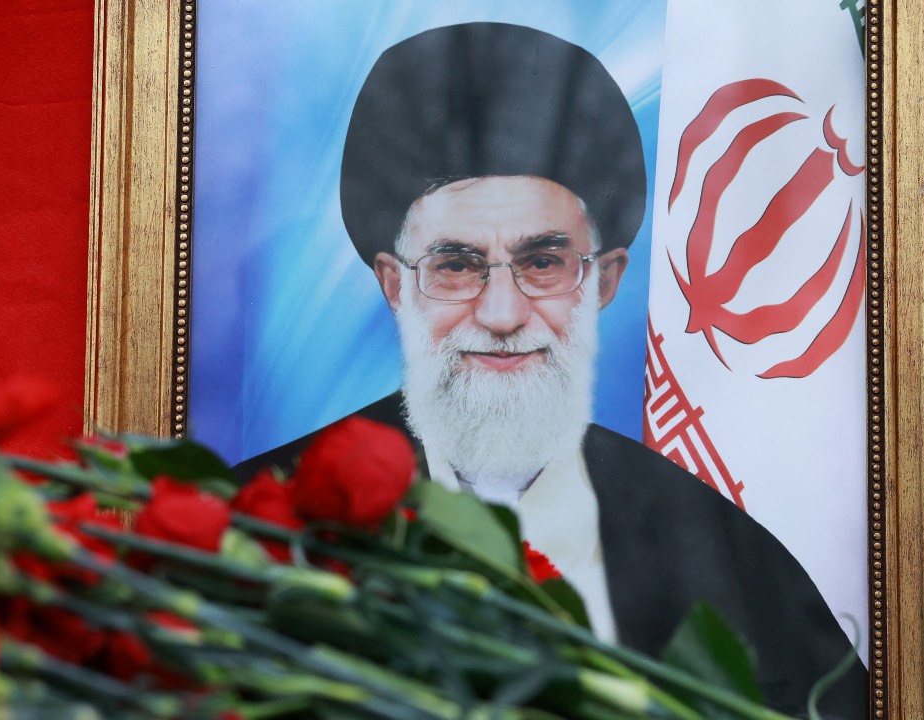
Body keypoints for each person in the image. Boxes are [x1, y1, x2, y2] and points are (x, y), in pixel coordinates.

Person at [235, 22, 867, 718]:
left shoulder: (727, 555)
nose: (502, 314)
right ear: (395, 284)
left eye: (542, 263)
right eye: (455, 265)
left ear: (602, 281)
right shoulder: (256, 519)